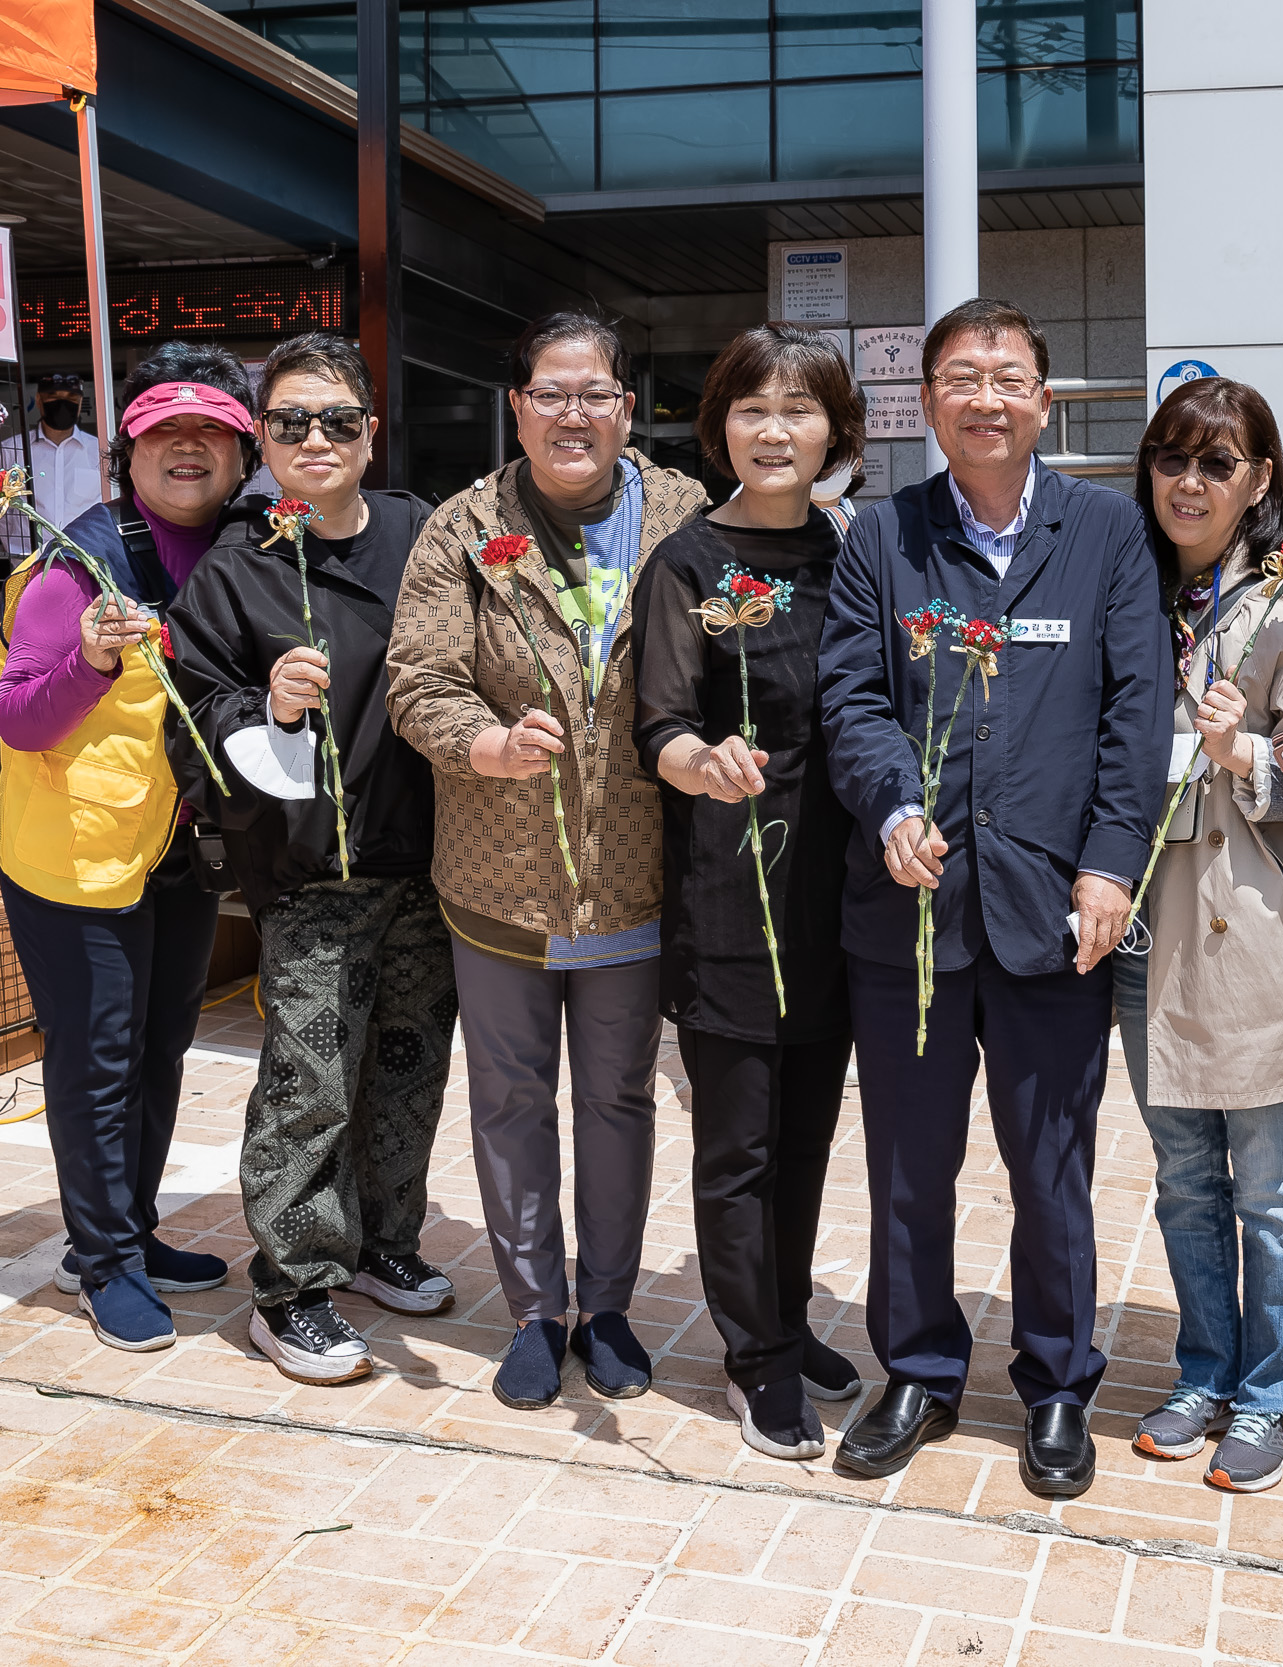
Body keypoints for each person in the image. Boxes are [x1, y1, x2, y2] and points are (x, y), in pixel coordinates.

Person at [817, 297, 1169, 1498]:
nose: (985, 397)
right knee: (910, 1162)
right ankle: (915, 1365)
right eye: (960, 377)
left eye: (1007, 376)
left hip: (1054, 915)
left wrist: (1112, 863)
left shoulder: (1106, 531)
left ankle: (1058, 1380)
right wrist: (891, 806)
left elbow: (1137, 713)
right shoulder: (882, 534)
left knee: (1049, 1163)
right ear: (927, 403)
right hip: (908, 911)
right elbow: (850, 697)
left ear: (1043, 399)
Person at [387, 311, 707, 1411]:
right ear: (515, 407)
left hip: (634, 871)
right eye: (550, 393)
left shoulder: (683, 516)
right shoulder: (461, 529)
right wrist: (483, 742)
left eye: (595, 393)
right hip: (498, 874)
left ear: (626, 406)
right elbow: (418, 678)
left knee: (618, 1097)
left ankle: (606, 1305)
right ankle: (534, 1307)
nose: (573, 413)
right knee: (511, 1098)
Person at [167, 333, 457, 1386]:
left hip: (428, 860)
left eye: (338, 418)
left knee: (409, 1067)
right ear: (264, 438)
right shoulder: (233, 575)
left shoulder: (426, 534)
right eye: (290, 421)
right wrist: (267, 705)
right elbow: (193, 725)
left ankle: (383, 1238)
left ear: (371, 430)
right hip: (310, 873)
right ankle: (290, 1288)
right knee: (309, 1079)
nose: (316, 439)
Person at [0, 342, 258, 1352]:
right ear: (130, 449)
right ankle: (100, 1260)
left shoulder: (242, 550)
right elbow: (18, 718)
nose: (187, 447)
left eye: (211, 433)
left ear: (239, 454)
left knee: (159, 1044)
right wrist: (93, 661)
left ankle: (128, 1229)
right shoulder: (77, 564)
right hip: (76, 859)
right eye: (164, 430)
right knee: (98, 1057)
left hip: (177, 853)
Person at [633, 324, 867, 1460]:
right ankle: (755, 1357)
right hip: (733, 892)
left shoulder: (857, 554)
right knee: (738, 1144)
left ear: (837, 431)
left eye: (800, 408)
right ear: (719, 421)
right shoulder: (689, 561)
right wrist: (698, 762)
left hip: (840, 895)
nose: (775, 429)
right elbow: (660, 724)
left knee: (810, 1133)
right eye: (752, 406)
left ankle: (785, 1312)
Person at [1116, 377, 1283, 1494]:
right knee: (1183, 1178)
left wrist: (1247, 753)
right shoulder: (1128, 594)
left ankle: (1277, 1392)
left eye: (1216, 462)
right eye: (1170, 457)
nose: (1189, 481)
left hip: (1250, 931)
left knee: (1268, 1181)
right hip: (1142, 930)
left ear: (1258, 481)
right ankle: (1206, 1369)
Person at [0, 372, 108, 556]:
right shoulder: (12, 449)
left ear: (80, 403)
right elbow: (1, 512)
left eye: (71, 398)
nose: (63, 403)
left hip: (87, 560)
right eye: (53, 397)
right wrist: (18, 554)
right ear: (39, 400)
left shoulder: (100, 450)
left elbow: (107, 505)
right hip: (29, 561)